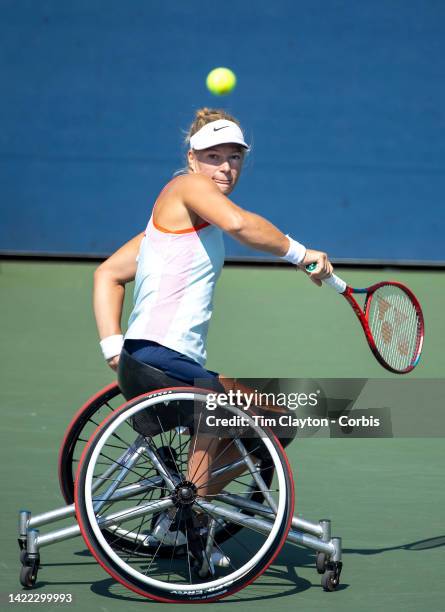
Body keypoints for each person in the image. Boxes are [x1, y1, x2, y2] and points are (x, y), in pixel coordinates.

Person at [93, 107, 333, 550]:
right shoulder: (188, 186)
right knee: (220, 410)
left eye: (234, 158)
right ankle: (190, 509)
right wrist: (301, 254)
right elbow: (241, 223)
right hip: (161, 361)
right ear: (192, 159)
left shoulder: (166, 227)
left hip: (150, 362)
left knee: (277, 422)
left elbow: (107, 273)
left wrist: (115, 349)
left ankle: (191, 504)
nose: (225, 167)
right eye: (213, 157)